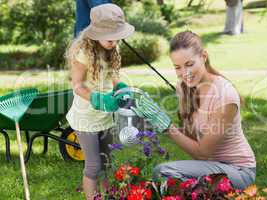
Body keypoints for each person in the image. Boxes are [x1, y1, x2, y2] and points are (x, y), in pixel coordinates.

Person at [132, 31, 256, 190]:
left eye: (189, 64)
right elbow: (192, 140)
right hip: (210, 166)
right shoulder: (184, 88)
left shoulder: (225, 95)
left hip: (238, 171)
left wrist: (166, 126)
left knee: (164, 172)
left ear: (204, 56)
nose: (185, 73)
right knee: (165, 177)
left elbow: (203, 153)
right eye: (177, 67)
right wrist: (153, 120)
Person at [65, 4, 134, 200]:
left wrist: (120, 86)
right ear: (96, 33)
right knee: (94, 165)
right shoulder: (82, 53)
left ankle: (109, 196)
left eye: (117, 36)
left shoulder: (111, 48)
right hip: (86, 118)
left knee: (107, 162)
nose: (114, 41)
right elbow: (77, 86)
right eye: (110, 37)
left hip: (105, 115)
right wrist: (98, 98)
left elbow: (112, 76)